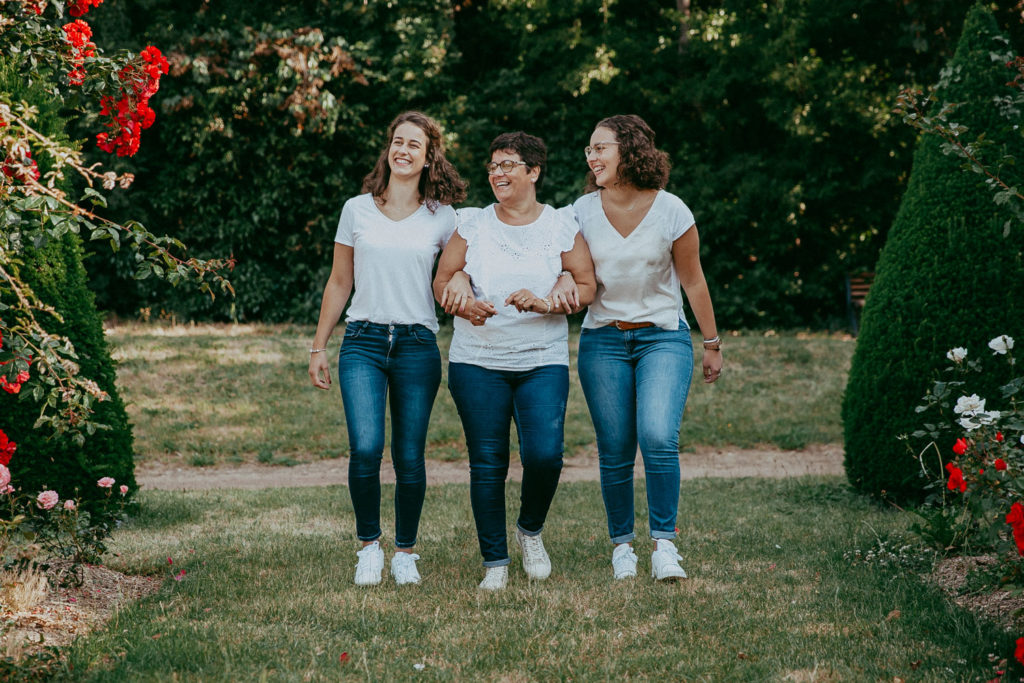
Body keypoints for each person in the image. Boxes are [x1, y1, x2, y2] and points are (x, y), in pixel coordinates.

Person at [308, 111, 467, 587]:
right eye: (397, 141)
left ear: (427, 157)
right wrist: (319, 347)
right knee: (365, 447)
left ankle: (405, 553)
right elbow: (340, 282)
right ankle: (368, 547)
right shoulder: (356, 209)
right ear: (389, 149)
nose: (403, 150)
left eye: (413, 145)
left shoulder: (445, 217)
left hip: (418, 344)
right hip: (363, 341)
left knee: (410, 456)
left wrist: (458, 278)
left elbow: (458, 272)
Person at [433, 131, 596, 591]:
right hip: (477, 359)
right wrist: (460, 296)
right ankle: (495, 562)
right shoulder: (472, 224)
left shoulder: (561, 226)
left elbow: (585, 287)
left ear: (533, 171)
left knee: (545, 456)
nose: (497, 173)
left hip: (541, 358)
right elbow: (442, 281)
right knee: (487, 462)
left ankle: (530, 531)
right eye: (493, 166)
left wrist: (549, 300)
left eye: (507, 165)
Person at [573, 114, 722, 582]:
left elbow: (693, 280)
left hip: (662, 337)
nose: (590, 156)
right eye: (589, 149)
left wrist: (712, 343)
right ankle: (622, 547)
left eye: (600, 148)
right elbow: (572, 276)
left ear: (629, 150)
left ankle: (664, 545)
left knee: (658, 437)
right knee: (614, 448)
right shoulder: (579, 211)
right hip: (602, 340)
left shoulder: (671, 210)